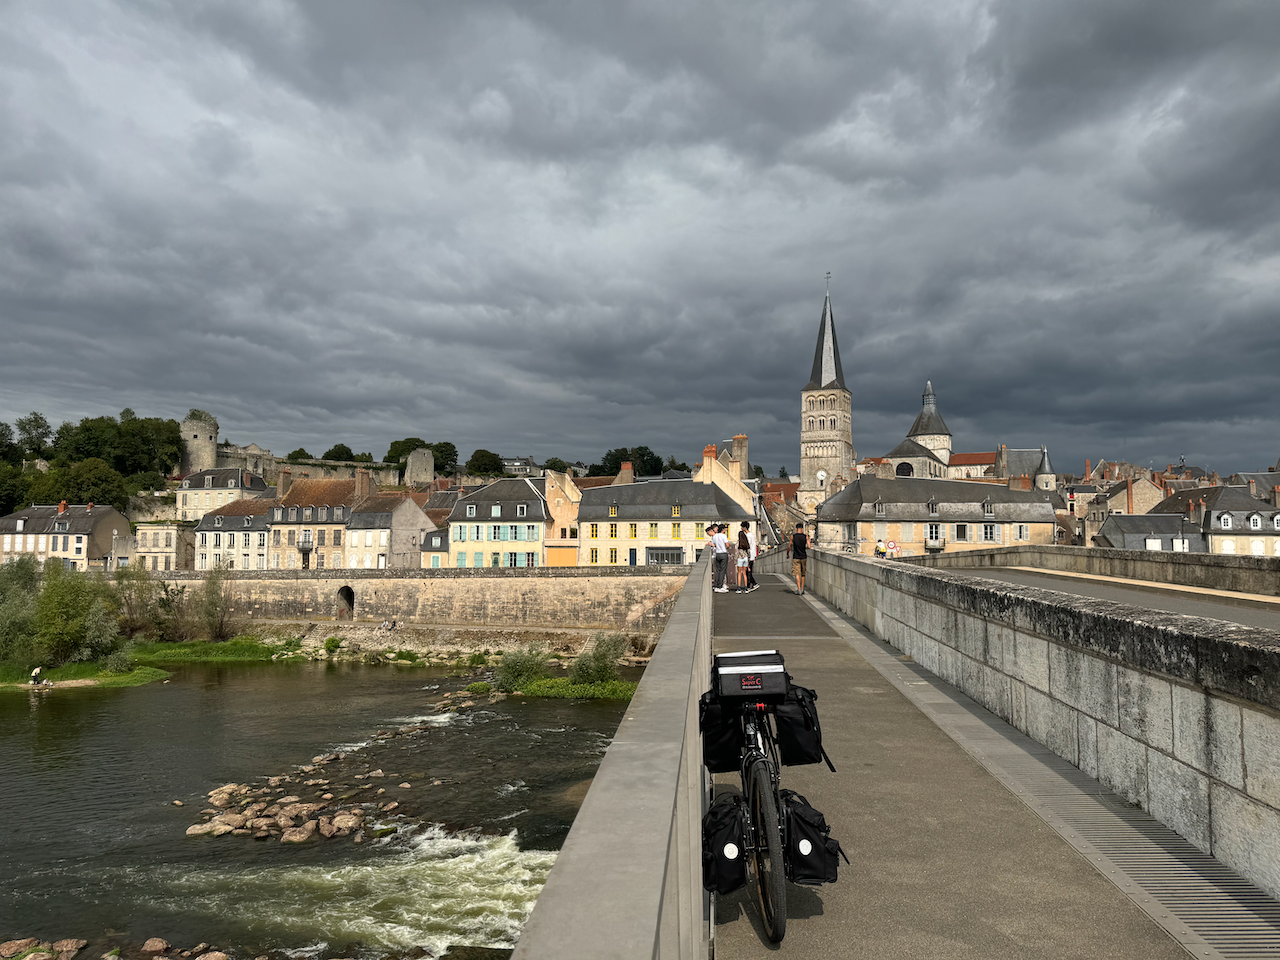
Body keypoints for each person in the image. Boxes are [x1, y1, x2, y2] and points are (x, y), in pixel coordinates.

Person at [786, 522, 810, 595]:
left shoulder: (793, 536)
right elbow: (809, 546)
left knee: (797, 573)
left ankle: (798, 589)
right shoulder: (806, 536)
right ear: (802, 529)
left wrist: (787, 554)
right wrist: (805, 548)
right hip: (803, 556)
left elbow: (789, 546)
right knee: (803, 573)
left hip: (796, 557)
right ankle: (802, 589)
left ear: (797, 529)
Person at [711, 524, 730, 593]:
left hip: (717, 554)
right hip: (723, 553)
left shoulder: (715, 536)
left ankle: (716, 585)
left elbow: (713, 544)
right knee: (723, 570)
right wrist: (726, 547)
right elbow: (727, 545)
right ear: (723, 529)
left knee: (718, 570)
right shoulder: (723, 536)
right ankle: (720, 586)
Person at [741, 520, 759, 592]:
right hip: (751, 556)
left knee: (747, 572)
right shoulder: (752, 535)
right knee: (748, 571)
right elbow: (753, 546)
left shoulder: (747, 536)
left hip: (748, 556)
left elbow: (747, 546)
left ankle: (752, 584)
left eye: (742, 527)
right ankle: (751, 584)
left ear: (745, 528)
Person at [735, 525, 751, 593]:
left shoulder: (738, 543)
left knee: (739, 573)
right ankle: (746, 588)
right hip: (745, 558)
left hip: (740, 558)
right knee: (744, 573)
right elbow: (749, 552)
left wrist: (735, 560)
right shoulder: (746, 543)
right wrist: (749, 560)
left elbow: (736, 551)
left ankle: (739, 588)